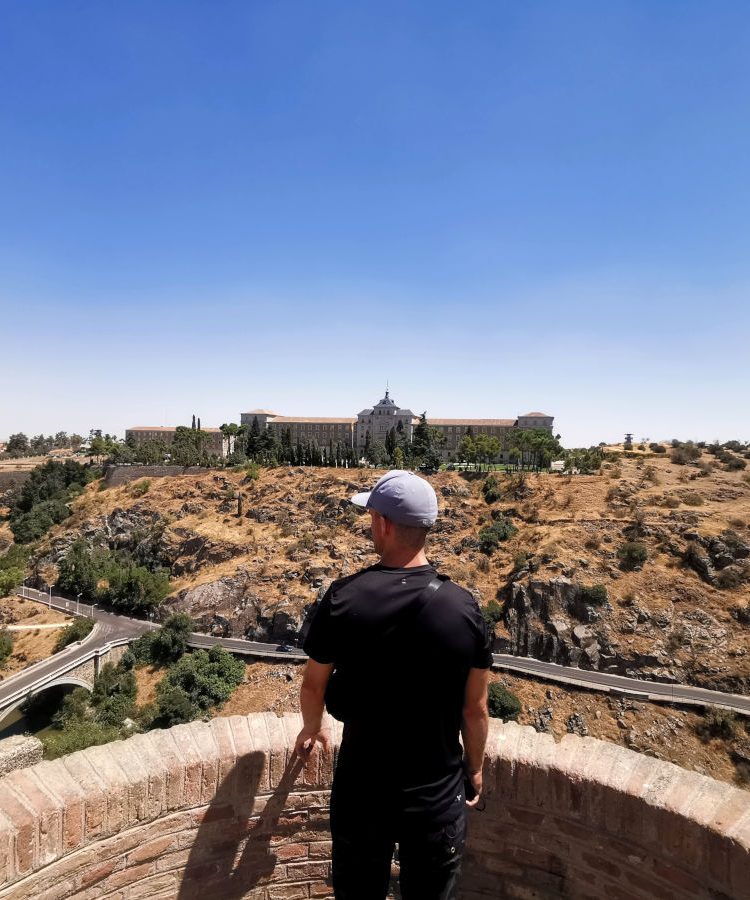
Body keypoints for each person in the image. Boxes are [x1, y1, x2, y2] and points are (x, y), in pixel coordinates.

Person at [295, 470, 492, 900]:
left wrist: (313, 727)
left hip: (363, 792)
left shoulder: (343, 597)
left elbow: (313, 686)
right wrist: (473, 767)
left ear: (383, 524)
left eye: (371, 518)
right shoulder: (465, 609)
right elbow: (474, 710)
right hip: (436, 796)